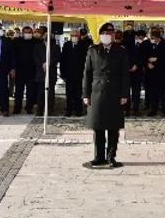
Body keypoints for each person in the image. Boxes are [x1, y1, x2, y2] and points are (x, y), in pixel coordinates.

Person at [83, 22, 130, 165]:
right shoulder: (93, 50)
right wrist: (86, 94)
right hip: (97, 92)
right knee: (98, 126)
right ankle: (99, 156)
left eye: (109, 34)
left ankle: (111, 156)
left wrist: (124, 94)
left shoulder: (121, 51)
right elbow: (87, 74)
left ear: (114, 35)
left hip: (115, 92)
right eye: (104, 34)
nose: (107, 36)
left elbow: (125, 75)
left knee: (113, 126)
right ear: (100, 35)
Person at [59, 28, 89, 117]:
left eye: (76, 35)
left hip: (79, 74)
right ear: (70, 36)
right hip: (68, 74)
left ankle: (78, 110)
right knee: (69, 93)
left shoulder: (83, 45)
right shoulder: (67, 45)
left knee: (78, 93)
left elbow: (85, 60)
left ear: (79, 36)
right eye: (73, 35)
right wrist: (62, 73)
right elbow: (63, 60)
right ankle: (68, 110)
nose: (74, 37)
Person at [33, 25, 60, 115]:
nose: (46, 37)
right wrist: (42, 63)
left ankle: (50, 109)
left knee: (51, 93)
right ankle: (40, 110)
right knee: (40, 92)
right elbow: (35, 57)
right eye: (45, 35)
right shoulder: (37, 46)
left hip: (51, 72)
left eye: (48, 35)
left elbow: (57, 57)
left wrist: (49, 63)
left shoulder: (56, 47)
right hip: (41, 72)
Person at [143, 27, 165, 116]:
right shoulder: (146, 43)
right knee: (152, 92)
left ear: (158, 37)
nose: (153, 40)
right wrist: (147, 63)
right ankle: (153, 109)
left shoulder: (164, 43)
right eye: (152, 38)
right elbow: (141, 56)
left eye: (155, 38)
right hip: (150, 72)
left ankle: (164, 109)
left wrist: (157, 59)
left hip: (160, 71)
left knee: (162, 92)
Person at [12, 25, 38, 114]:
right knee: (18, 91)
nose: (28, 34)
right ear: (22, 33)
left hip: (32, 71)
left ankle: (29, 107)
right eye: (26, 32)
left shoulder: (36, 42)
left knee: (30, 92)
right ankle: (17, 108)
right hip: (19, 71)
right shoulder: (16, 42)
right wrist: (13, 68)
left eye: (29, 32)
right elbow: (13, 56)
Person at [126, 29, 145, 115]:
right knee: (127, 91)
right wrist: (130, 66)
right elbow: (126, 56)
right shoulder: (128, 44)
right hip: (128, 71)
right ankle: (127, 109)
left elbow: (143, 56)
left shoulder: (143, 44)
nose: (139, 38)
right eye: (137, 37)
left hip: (138, 71)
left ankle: (136, 109)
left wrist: (137, 65)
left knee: (136, 92)